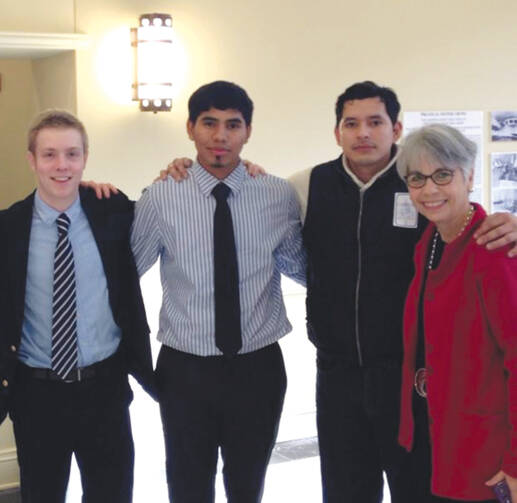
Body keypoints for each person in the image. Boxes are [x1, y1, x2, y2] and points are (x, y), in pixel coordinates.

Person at [163, 81, 517, 503]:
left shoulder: (419, 185)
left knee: (418, 489)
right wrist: (189, 167)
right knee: (346, 492)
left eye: (375, 122)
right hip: (337, 376)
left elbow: (467, 225)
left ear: (396, 128)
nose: (363, 133)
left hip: (407, 379)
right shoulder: (306, 186)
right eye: (351, 123)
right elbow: (249, 189)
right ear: (337, 133)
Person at [130, 80, 306, 502]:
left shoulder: (277, 194)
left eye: (233, 124)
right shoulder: (161, 196)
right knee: (188, 487)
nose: (220, 136)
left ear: (248, 131)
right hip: (187, 369)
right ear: (190, 128)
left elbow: (302, 268)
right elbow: (124, 274)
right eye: (209, 123)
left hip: (258, 369)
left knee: (248, 486)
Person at [0, 110, 154, 503]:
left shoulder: (113, 211)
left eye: (72, 154)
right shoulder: (7, 229)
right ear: (31, 160)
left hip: (105, 390)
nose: (62, 165)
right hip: (36, 396)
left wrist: (182, 167)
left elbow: (168, 209)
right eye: (49, 155)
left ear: (85, 158)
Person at [397, 124, 517, 503]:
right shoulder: (428, 243)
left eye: (443, 175)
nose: (429, 189)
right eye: (417, 178)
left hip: (483, 453)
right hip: (434, 436)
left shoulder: (493, 249)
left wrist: (515, 464)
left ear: (468, 177)